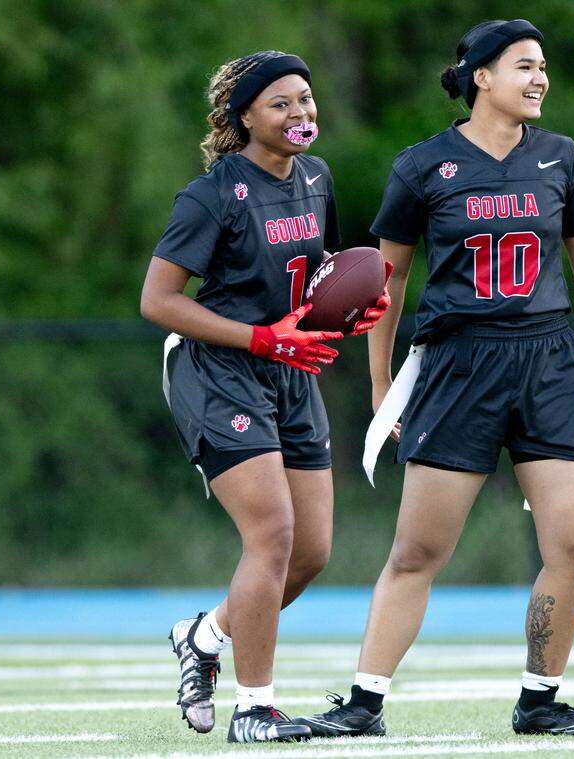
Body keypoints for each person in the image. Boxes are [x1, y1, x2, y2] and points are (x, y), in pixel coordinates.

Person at [295, 19, 574, 737]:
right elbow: (382, 279)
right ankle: (364, 702)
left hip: (548, 360)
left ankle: (540, 698)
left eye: (544, 67)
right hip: (458, 364)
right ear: (481, 76)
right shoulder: (424, 166)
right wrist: (382, 381)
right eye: (524, 66)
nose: (540, 78)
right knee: (418, 551)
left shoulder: (563, 160)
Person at [140, 50, 387, 743]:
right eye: (280, 103)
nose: (300, 113)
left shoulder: (317, 176)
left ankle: (205, 634)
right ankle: (255, 710)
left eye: (305, 98)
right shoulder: (213, 194)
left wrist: (356, 307)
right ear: (243, 117)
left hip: (292, 371)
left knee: (310, 551)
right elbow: (157, 300)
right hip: (221, 370)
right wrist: (261, 339)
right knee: (272, 534)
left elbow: (329, 274)